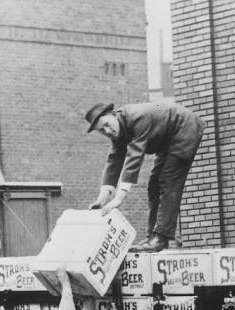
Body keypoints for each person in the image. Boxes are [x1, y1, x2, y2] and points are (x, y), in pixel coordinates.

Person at [85, 100, 205, 252]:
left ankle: (161, 238)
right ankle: (152, 237)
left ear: (113, 114)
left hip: (185, 129)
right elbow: (114, 160)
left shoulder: (136, 117)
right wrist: (102, 197)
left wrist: (118, 198)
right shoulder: (118, 131)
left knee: (168, 181)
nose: (107, 131)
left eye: (107, 124)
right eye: (102, 130)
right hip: (166, 141)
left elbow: (134, 156)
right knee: (154, 185)